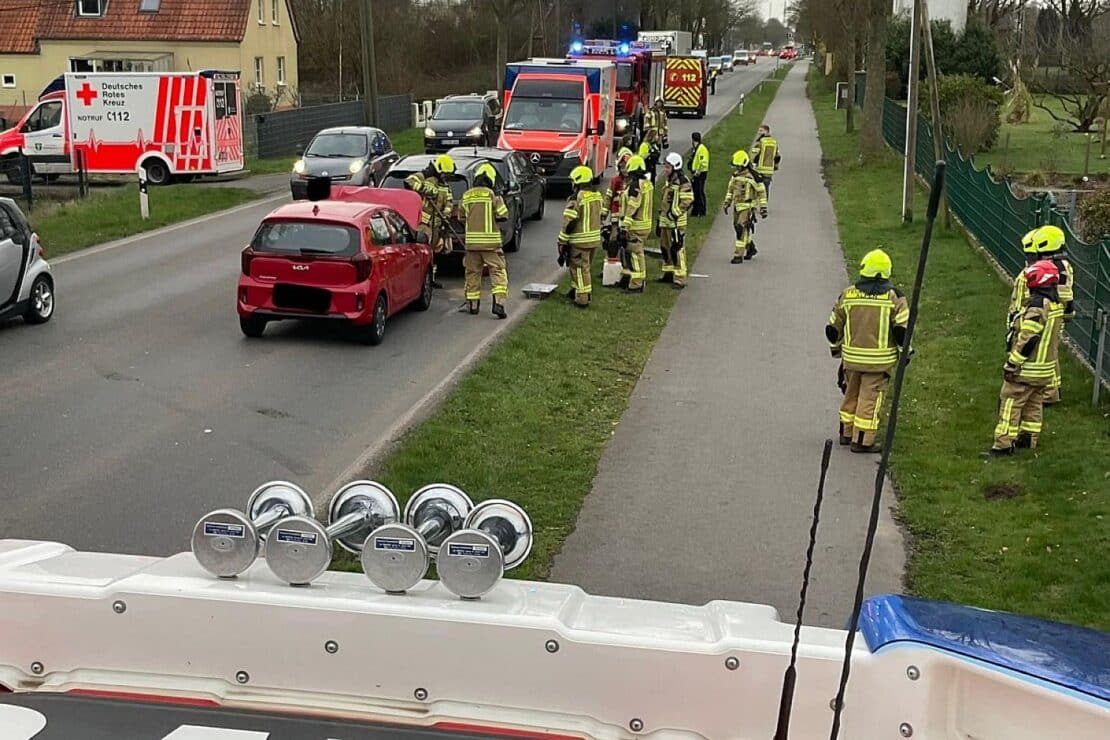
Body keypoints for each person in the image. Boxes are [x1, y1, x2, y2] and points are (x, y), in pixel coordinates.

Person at [825, 249, 910, 453]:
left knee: (851, 394)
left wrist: (836, 351)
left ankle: (846, 433)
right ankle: (863, 440)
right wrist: (905, 352)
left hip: (851, 360)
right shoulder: (894, 298)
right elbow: (901, 331)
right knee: (869, 400)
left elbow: (832, 328)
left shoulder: (848, 294)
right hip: (878, 363)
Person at [989, 260, 1065, 455]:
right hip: (1045, 371)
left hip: (1027, 370)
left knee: (1010, 402)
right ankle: (1028, 438)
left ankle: (1003, 444)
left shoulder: (1037, 307)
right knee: (1034, 403)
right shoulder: (1057, 306)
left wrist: (1012, 363)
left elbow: (1028, 339)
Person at [457, 162, 509, 318]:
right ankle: (498, 304)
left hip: (472, 244)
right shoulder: (493, 196)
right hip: (491, 244)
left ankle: (473, 305)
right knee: (498, 272)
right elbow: (503, 214)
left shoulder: (466, 196)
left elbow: (461, 217)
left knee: (472, 273)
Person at [1031, 225, 1076, 405]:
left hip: (1052, 313)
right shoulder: (1062, 265)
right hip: (1053, 312)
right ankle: (1052, 389)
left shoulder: (1059, 267)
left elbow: (1065, 295)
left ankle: (1050, 393)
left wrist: (1065, 313)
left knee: (1048, 353)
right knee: (1050, 353)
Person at [404, 154, 455, 289]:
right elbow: (409, 181)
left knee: (432, 254)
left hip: (437, 225)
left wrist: (446, 214)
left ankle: (430, 279)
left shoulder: (445, 187)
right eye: (444, 174)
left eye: (447, 175)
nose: (445, 177)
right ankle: (417, 280)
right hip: (423, 225)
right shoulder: (425, 177)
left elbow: (449, 202)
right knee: (421, 253)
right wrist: (423, 189)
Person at [558, 165, 604, 308]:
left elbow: (569, 222)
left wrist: (562, 241)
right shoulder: (597, 195)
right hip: (594, 240)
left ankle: (582, 298)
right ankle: (575, 291)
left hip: (579, 241)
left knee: (579, 269)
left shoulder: (576, 198)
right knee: (585, 268)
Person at [656, 152, 694, 289]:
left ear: (675, 167)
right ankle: (668, 273)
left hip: (677, 223)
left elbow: (688, 201)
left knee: (677, 249)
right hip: (666, 222)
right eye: (665, 167)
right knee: (665, 248)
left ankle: (680, 278)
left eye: (667, 167)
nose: (665, 169)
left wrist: (674, 214)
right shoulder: (670, 181)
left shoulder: (683, 182)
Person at [722, 150, 765, 264]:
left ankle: (738, 255)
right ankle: (750, 247)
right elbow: (730, 191)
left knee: (741, 229)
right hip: (737, 206)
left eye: (739, 166)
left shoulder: (752, 177)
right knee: (738, 228)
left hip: (747, 207)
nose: (737, 168)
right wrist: (727, 203)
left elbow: (761, 192)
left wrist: (763, 207)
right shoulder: (735, 177)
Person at [619, 155, 653, 293]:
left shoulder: (635, 185)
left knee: (634, 254)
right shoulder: (647, 183)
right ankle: (637, 280)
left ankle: (636, 284)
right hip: (645, 224)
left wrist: (624, 227)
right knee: (637, 254)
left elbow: (632, 207)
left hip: (636, 226)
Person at [603, 148, 633, 259]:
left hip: (628, 216)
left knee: (628, 240)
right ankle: (611, 261)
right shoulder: (616, 180)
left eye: (626, 167)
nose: (625, 170)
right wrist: (604, 212)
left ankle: (627, 262)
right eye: (622, 167)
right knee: (613, 238)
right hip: (616, 215)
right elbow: (608, 197)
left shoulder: (633, 181)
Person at [749, 124, 780, 202]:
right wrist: (775, 165)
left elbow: (754, 155)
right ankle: (764, 206)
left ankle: (754, 204)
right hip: (769, 170)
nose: (759, 133)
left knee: (755, 187)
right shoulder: (774, 142)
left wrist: (752, 164)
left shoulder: (760, 142)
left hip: (759, 169)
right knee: (765, 188)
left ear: (766, 131)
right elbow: (777, 156)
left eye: (761, 131)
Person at [687, 132, 710, 217]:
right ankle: (695, 211)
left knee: (699, 192)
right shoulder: (696, 148)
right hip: (696, 173)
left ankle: (702, 211)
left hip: (700, 174)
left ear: (693, 140)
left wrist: (697, 172)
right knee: (695, 192)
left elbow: (703, 162)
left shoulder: (701, 149)